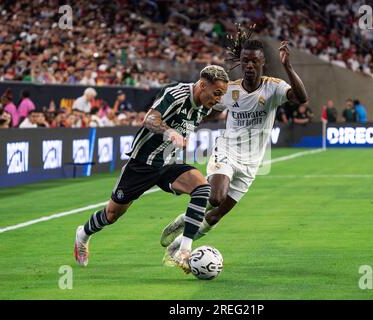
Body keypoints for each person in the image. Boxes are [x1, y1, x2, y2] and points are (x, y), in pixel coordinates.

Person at [160, 32, 308, 264]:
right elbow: (207, 106)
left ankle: (181, 235)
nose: (249, 65)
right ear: (241, 62)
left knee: (216, 216)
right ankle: (186, 240)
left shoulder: (274, 87)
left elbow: (301, 98)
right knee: (216, 198)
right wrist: (183, 125)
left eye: (254, 61)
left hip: (252, 163)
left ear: (262, 63)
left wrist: (288, 66)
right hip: (227, 152)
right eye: (245, 60)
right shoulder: (230, 90)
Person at [73, 65, 229, 273]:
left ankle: (184, 250)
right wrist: (170, 132)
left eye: (222, 95)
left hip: (168, 164)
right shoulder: (176, 93)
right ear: (202, 85)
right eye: (217, 93)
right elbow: (149, 119)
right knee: (112, 214)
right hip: (142, 164)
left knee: (202, 189)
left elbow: (219, 109)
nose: (218, 99)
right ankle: (83, 234)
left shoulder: (205, 105)